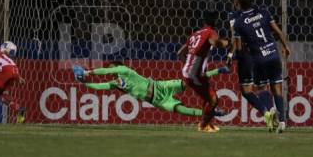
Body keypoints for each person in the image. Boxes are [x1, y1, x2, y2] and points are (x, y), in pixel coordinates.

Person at [73, 61, 230, 130]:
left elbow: (105, 71)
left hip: (160, 86)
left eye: (113, 68)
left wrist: (88, 72)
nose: (112, 71)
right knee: (184, 110)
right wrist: (85, 83)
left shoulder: (125, 70)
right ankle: (212, 112)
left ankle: (218, 71)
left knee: (191, 81)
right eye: (112, 69)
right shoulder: (117, 84)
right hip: (157, 101)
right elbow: (100, 86)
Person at [232, 0, 291, 133]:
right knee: (277, 88)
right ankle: (282, 122)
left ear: (238, 4)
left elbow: (239, 48)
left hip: (259, 59)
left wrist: (240, 60)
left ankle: (270, 110)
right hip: (273, 54)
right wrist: (286, 46)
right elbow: (277, 30)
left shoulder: (239, 22)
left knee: (261, 89)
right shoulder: (264, 13)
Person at [226, 0, 275, 131]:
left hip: (246, 55)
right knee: (263, 87)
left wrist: (230, 54)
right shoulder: (259, 13)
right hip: (261, 53)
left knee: (246, 91)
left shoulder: (234, 16)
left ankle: (265, 112)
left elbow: (235, 38)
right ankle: (271, 108)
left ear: (236, 3)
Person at [177, 11, 229, 133]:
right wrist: (227, 42)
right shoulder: (210, 32)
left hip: (192, 73)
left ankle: (208, 124)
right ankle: (203, 125)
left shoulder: (195, 34)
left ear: (204, 22)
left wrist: (188, 66)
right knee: (214, 100)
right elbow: (216, 43)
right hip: (194, 75)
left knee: (207, 99)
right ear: (216, 22)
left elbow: (180, 53)